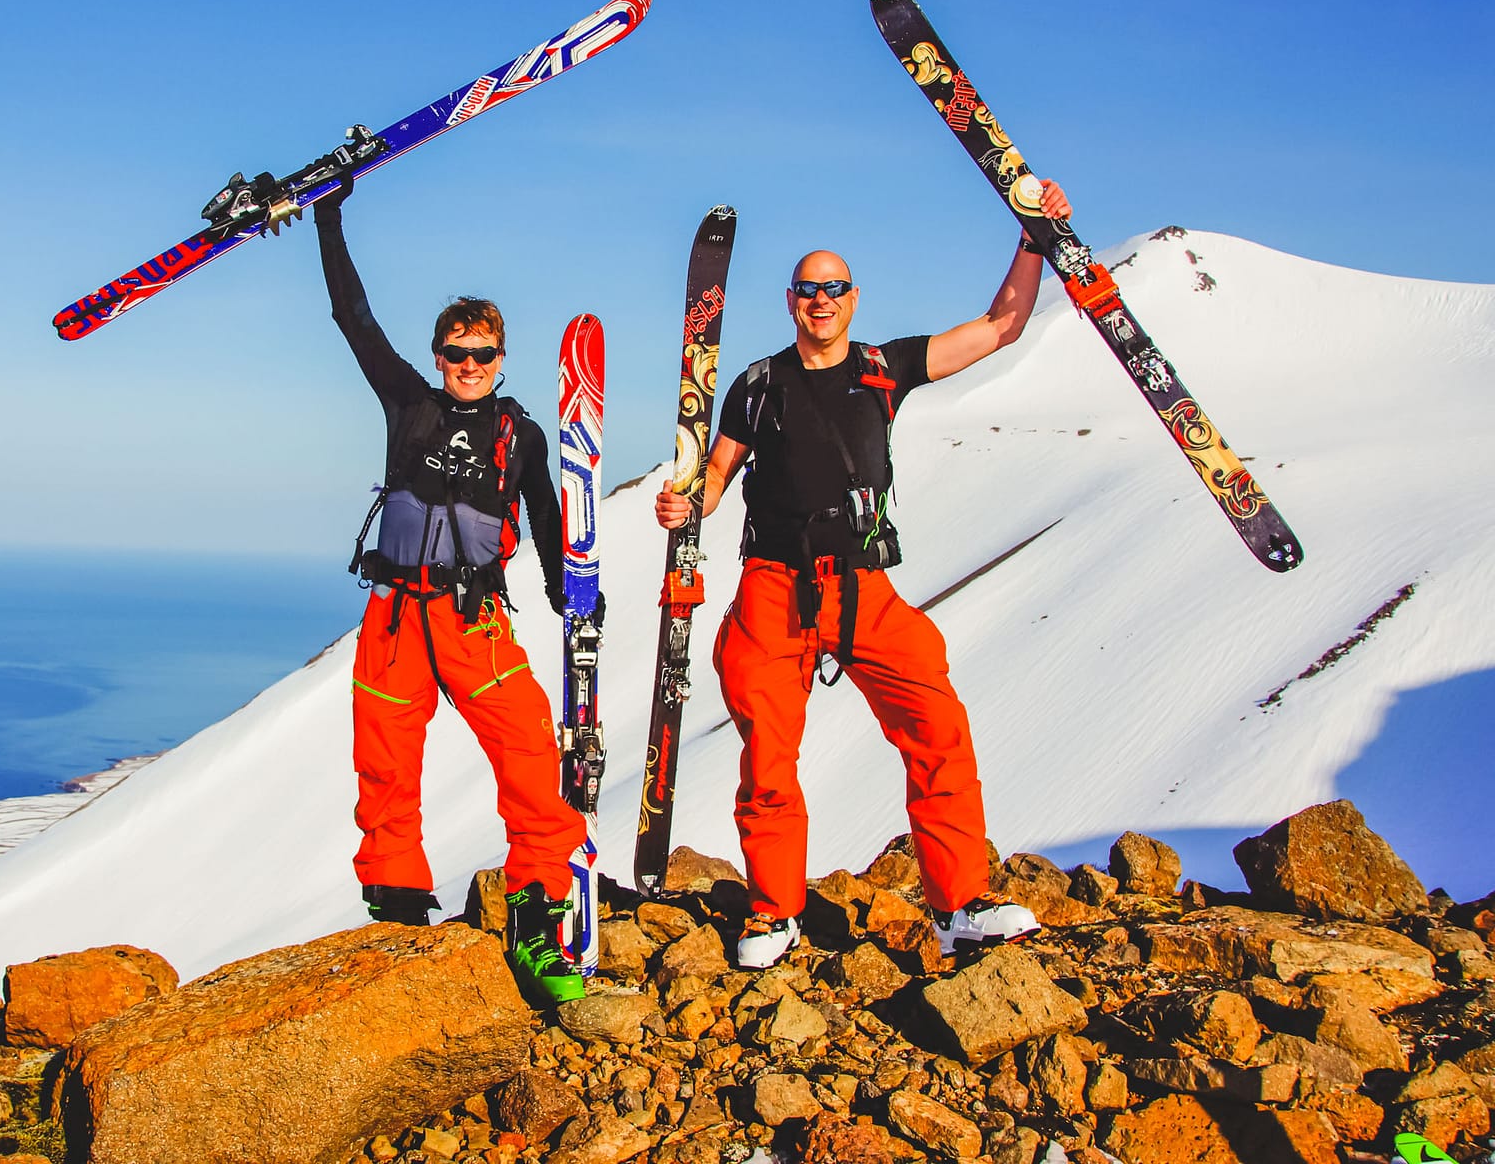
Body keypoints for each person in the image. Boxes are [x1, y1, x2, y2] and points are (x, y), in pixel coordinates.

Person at [654, 182, 1074, 969]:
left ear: (853, 299)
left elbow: (1000, 328)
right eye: (808, 289)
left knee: (936, 727)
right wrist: (687, 504)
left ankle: (960, 904)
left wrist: (1033, 239)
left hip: (863, 589)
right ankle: (774, 911)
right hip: (773, 589)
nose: (821, 300)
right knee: (768, 757)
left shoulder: (886, 367)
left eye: (835, 288)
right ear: (791, 301)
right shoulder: (757, 384)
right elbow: (715, 476)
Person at [311, 175, 586, 1005]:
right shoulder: (408, 403)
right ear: (439, 357)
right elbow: (353, 319)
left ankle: (536, 913)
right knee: (385, 761)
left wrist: (570, 595)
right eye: (457, 353)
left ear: (502, 360)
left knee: (529, 753)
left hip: (474, 619)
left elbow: (546, 518)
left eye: (483, 354)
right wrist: (328, 217)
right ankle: (397, 906)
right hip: (396, 613)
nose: (469, 366)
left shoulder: (520, 434)